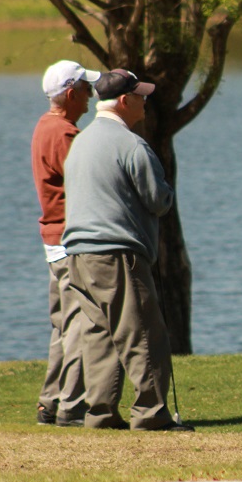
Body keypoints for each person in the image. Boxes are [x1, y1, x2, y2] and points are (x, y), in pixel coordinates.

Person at [61, 69, 192, 431]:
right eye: (140, 96)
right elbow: (159, 199)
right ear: (124, 101)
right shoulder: (131, 144)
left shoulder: (81, 142)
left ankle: (100, 414)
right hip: (117, 253)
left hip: (78, 254)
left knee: (99, 334)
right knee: (143, 333)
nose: (145, 103)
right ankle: (151, 415)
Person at [31, 60, 101, 427]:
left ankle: (50, 401)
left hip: (53, 240)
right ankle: (71, 405)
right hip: (69, 240)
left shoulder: (46, 125)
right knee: (77, 326)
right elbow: (87, 184)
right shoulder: (64, 135)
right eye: (86, 90)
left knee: (63, 326)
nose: (91, 98)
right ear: (71, 93)